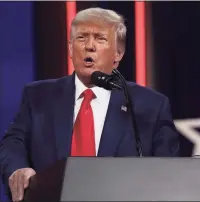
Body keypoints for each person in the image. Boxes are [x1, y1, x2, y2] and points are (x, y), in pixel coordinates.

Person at [0, 7, 179, 202]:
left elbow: (168, 172)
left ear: (118, 54)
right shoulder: (38, 96)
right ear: (70, 48)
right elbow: (12, 143)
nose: (89, 46)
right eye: (82, 38)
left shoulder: (150, 106)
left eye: (100, 39)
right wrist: (17, 169)